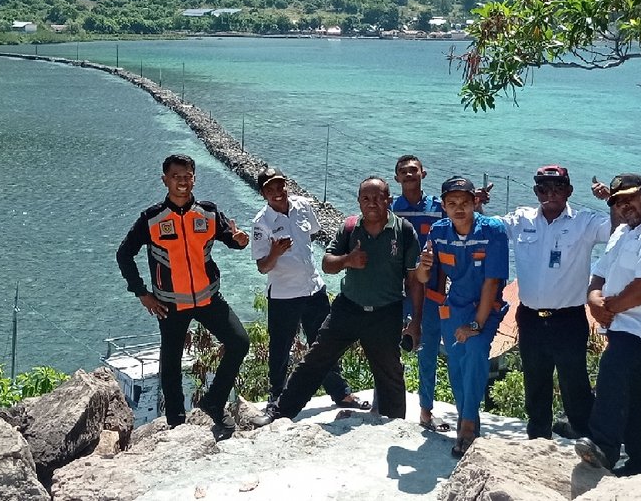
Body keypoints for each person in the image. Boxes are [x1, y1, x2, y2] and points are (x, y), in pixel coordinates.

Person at [258, 177, 421, 424]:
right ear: (358, 202)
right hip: (349, 307)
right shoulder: (349, 228)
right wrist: (348, 260)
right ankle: (280, 412)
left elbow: (414, 280)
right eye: (366, 198)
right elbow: (327, 263)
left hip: (385, 312)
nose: (372, 203)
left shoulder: (404, 231)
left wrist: (415, 320)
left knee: (390, 373)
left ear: (388, 199)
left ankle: (394, 425)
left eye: (378, 197)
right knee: (315, 360)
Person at [115, 153, 252, 440]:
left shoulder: (208, 212)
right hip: (170, 303)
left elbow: (232, 238)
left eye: (187, 175)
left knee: (239, 342)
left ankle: (213, 402)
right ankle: (177, 421)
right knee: (171, 363)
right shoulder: (152, 218)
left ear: (194, 178)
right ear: (164, 179)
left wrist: (240, 241)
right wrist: (142, 293)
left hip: (208, 299)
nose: (182, 181)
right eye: (176, 176)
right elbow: (124, 254)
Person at [575, 173, 641, 477]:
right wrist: (593, 297)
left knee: (612, 371)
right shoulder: (624, 232)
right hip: (619, 320)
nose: (625, 206)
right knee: (637, 396)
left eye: (630, 198)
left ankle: (604, 446)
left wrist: (605, 308)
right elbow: (600, 271)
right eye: (618, 201)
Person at [500, 165, 612, 440]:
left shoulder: (585, 222)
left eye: (557, 187)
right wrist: (475, 205)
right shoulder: (521, 219)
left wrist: (612, 200)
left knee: (574, 383)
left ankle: (589, 442)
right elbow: (486, 230)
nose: (550, 193)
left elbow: (620, 230)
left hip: (568, 319)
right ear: (536, 191)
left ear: (569, 191)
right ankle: (537, 440)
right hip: (529, 317)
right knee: (535, 382)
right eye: (543, 188)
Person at [250, 167, 367, 411]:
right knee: (281, 348)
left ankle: (340, 393)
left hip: (313, 288)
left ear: (286, 185)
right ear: (263, 194)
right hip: (284, 294)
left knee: (324, 343)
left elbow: (311, 235)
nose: (277, 192)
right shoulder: (261, 223)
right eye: (270, 189)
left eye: (280, 185)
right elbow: (262, 267)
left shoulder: (303, 205)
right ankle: (277, 398)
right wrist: (275, 252)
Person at [416, 176, 509, 457]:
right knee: (456, 366)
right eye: (452, 203)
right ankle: (467, 420)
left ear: (475, 203)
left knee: (477, 351)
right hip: (453, 306)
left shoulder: (493, 231)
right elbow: (423, 277)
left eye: (465, 203)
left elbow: (492, 283)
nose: (459, 209)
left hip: (485, 306)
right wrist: (423, 266)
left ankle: (467, 427)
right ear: (443, 206)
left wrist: (475, 324)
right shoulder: (439, 232)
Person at [390, 154, 450, 433]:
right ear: (396, 178)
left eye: (414, 170)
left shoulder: (440, 208)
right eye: (404, 171)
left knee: (427, 352)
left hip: (433, 292)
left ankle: (425, 412)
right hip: (396, 292)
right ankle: (385, 407)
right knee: (389, 351)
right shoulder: (390, 210)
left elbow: (465, 227)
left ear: (423, 174)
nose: (409, 174)